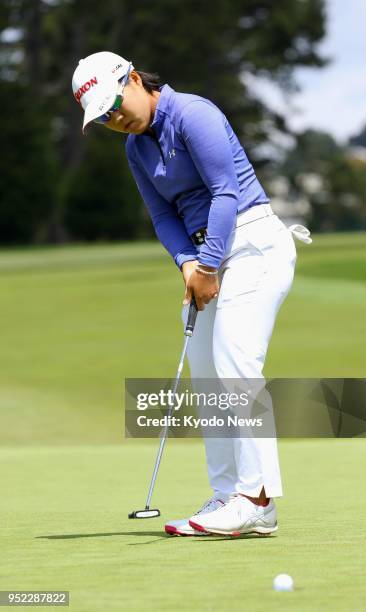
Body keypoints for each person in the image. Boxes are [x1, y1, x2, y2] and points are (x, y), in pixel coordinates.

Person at [72, 51, 312, 537]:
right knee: (206, 373)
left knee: (234, 365)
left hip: (253, 245)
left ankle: (257, 498)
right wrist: (188, 264)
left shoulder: (193, 113)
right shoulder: (135, 150)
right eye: (103, 117)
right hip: (207, 256)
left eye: (114, 105)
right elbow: (163, 217)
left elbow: (225, 191)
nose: (114, 119)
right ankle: (229, 496)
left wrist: (206, 263)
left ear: (134, 79)